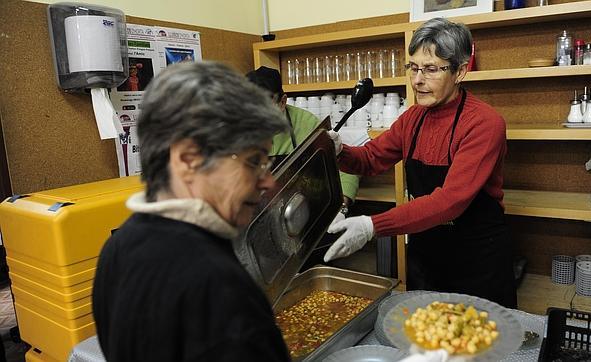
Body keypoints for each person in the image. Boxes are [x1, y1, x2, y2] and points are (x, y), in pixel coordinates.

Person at [92, 61, 291, 361]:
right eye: (254, 161)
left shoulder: (117, 248)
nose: (268, 180)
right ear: (188, 160)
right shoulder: (222, 291)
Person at [324, 18, 517, 308]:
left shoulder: (484, 123)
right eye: (413, 68)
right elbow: (371, 159)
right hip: (426, 255)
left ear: (460, 71)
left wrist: (372, 225)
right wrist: (339, 151)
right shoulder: (412, 119)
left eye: (430, 69)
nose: (417, 80)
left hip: (477, 261)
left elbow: (450, 201)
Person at [246, 66, 359, 218]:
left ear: (283, 101)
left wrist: (341, 206)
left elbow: (343, 168)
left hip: (301, 211)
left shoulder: (307, 123)